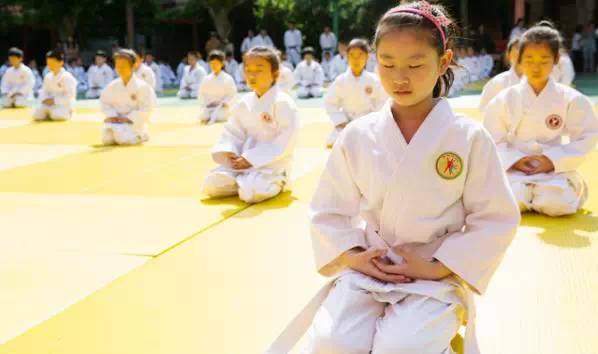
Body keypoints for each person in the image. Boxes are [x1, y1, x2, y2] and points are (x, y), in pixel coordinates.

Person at [264, 2, 520, 354]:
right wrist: (354, 255)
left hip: (433, 272)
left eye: (415, 65)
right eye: (387, 64)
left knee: (402, 348)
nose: (400, 77)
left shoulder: (467, 137)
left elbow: (495, 217)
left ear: (443, 63)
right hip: (371, 266)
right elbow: (328, 210)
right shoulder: (358, 134)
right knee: (332, 344)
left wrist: (438, 267)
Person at [484, 22, 598, 216]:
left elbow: (587, 136)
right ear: (519, 60)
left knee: (556, 204)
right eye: (529, 59)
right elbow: (491, 138)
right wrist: (516, 160)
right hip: (515, 168)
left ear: (555, 60)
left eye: (544, 60)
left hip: (553, 169)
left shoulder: (570, 99)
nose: (536, 67)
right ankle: (530, 194)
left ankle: (552, 191)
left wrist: (552, 160)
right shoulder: (504, 99)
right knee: (510, 201)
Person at [202, 46, 299, 203]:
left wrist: (251, 159)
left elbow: (285, 142)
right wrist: (231, 154)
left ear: (275, 74)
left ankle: (278, 179)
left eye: (259, 70)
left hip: (271, 165)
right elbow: (232, 132)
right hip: (242, 162)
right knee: (212, 185)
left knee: (252, 193)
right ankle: (243, 180)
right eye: (248, 69)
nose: (252, 74)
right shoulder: (244, 102)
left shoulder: (283, 102)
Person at [324, 38, 387, 148]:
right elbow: (330, 103)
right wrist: (341, 121)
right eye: (352, 55)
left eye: (360, 55)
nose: (356, 59)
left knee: (375, 143)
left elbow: (382, 102)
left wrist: (374, 120)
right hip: (346, 122)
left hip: (369, 122)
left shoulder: (374, 80)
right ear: (347, 57)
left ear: (367, 57)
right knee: (333, 143)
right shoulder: (341, 80)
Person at [100, 49, 156, 146]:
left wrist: (127, 118)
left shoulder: (142, 87)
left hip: (134, 122)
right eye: (118, 66)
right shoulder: (112, 86)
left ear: (133, 65)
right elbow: (104, 103)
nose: (120, 69)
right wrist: (112, 116)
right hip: (116, 121)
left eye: (123, 66)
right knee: (106, 139)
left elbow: (147, 109)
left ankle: (141, 134)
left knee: (124, 139)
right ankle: (128, 134)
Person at [479, 37, 522, 111]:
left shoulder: (537, 83)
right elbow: (484, 109)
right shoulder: (497, 82)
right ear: (508, 56)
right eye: (517, 49)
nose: (519, 53)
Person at [33, 49, 77, 121]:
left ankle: (68, 113)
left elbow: (70, 95)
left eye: (52, 63)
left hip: (63, 105)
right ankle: (48, 114)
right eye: (48, 63)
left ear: (61, 62)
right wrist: (45, 99)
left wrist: (54, 100)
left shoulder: (67, 77)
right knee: (36, 114)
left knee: (57, 115)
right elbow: (44, 91)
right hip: (49, 104)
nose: (50, 66)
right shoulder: (48, 76)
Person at [198, 50, 237, 124]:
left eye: (216, 63)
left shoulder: (227, 78)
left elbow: (232, 94)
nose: (214, 66)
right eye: (212, 63)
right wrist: (207, 103)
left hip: (222, 107)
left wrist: (223, 103)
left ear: (222, 64)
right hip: (209, 106)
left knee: (219, 117)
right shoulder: (206, 79)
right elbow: (201, 94)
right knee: (203, 117)